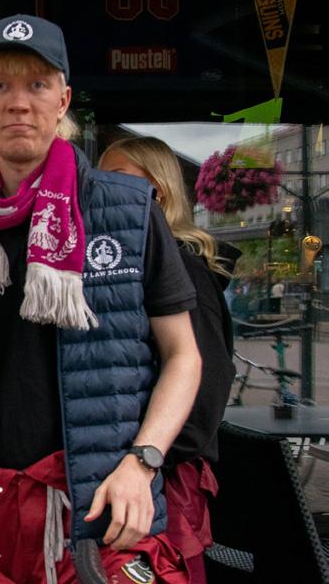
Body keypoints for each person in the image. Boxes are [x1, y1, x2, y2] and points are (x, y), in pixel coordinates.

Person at [0, 14, 202, 584]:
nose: (19, 102)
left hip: (95, 511)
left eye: (37, 84)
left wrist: (143, 462)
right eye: (1, 85)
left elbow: (183, 356)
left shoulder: (130, 210)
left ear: (62, 100)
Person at [99, 136, 240, 584]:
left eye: (116, 179)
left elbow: (205, 387)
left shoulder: (182, 268)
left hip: (163, 477)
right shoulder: (129, 263)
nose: (100, 190)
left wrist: (147, 458)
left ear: (156, 192)